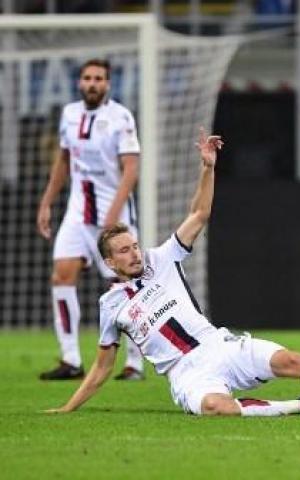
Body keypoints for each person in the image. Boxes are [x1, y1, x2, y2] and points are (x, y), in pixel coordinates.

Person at [45, 128, 300, 417]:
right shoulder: (111, 305)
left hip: (219, 345)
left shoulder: (161, 258)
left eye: (133, 245)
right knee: (217, 408)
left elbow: (198, 215)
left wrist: (208, 168)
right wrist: (68, 407)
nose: (134, 252)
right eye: (124, 251)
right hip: (185, 372)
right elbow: (103, 367)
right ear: (109, 263)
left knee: (291, 359)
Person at [36, 58, 145, 381]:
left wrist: (112, 214)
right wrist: (46, 203)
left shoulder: (120, 117)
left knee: (127, 285)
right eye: (87, 77)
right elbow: (64, 161)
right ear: (79, 82)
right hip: (77, 212)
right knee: (62, 276)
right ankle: (71, 359)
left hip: (114, 214)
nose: (92, 83)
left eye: (99, 78)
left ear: (108, 84)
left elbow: (131, 169)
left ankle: (135, 363)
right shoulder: (69, 114)